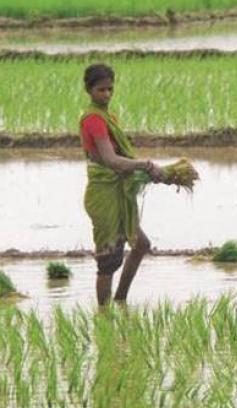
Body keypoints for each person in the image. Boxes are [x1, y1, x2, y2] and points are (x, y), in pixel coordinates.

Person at [80, 63, 166, 305]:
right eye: (101, 90)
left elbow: (122, 157)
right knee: (108, 260)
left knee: (140, 244)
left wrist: (158, 174)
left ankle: (120, 300)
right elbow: (110, 160)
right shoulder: (93, 120)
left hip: (117, 189)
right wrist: (146, 166)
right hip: (104, 194)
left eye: (110, 89)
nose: (106, 95)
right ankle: (104, 316)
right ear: (89, 90)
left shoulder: (109, 117)